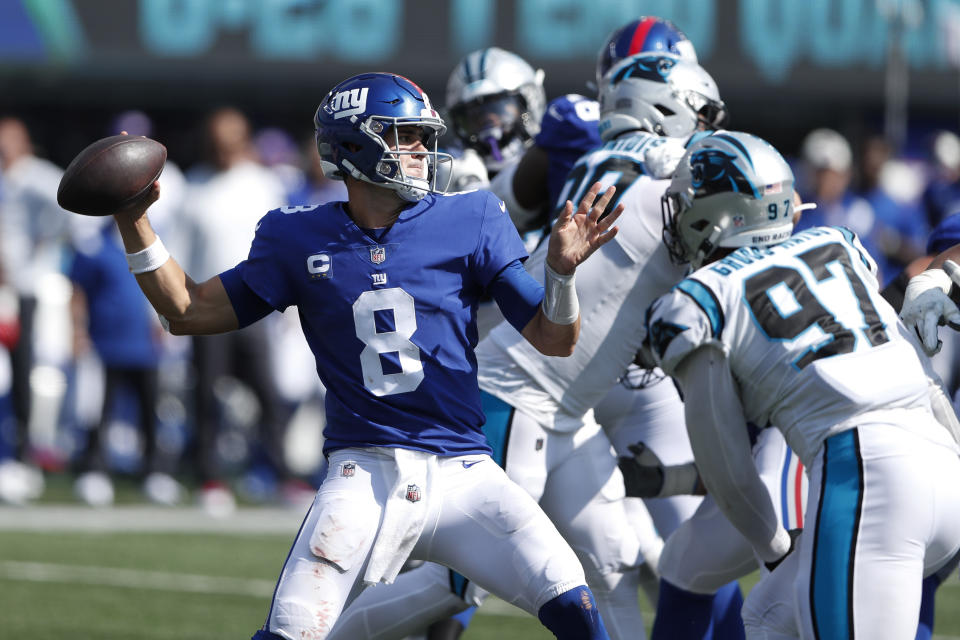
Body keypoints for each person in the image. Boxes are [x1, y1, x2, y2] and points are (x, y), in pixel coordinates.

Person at [98, 72, 622, 640]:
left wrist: (561, 274)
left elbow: (555, 337)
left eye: (425, 136)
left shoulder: (471, 216)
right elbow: (187, 310)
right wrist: (134, 219)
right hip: (363, 473)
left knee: (575, 606)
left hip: (465, 472)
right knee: (291, 631)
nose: (424, 150)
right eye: (407, 136)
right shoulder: (296, 236)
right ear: (356, 145)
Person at [326, 51, 729, 640]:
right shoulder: (660, 166)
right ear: (666, 112)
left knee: (610, 565)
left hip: (567, 407)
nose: (706, 133)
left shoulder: (618, 157)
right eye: (700, 117)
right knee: (456, 585)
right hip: (517, 391)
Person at [646, 130, 960, 639]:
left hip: (867, 472)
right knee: (766, 619)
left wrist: (773, 545)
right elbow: (920, 380)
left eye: (688, 203)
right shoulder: (839, 244)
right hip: (943, 464)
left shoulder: (701, 297)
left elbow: (726, 464)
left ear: (722, 213)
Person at [178, 107, 296, 513]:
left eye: (230, 140)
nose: (222, 149)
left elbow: (283, 249)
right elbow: (181, 252)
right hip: (207, 309)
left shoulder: (265, 185)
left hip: (257, 306)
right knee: (207, 397)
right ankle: (211, 478)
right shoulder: (194, 184)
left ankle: (279, 474)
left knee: (269, 395)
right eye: (216, 141)